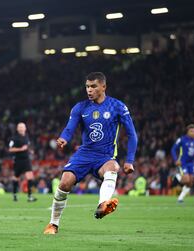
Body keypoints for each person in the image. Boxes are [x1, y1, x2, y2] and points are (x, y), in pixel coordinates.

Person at [43, 72, 137, 234]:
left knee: (113, 167)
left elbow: (132, 134)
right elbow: (70, 127)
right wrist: (64, 138)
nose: (89, 90)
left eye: (93, 86)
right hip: (84, 154)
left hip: (105, 156)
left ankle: (103, 205)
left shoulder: (117, 107)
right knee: (64, 183)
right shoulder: (80, 107)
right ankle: (53, 224)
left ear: (103, 87)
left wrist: (129, 160)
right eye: (87, 86)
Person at [171, 124, 194, 203]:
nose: (193, 133)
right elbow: (173, 149)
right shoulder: (182, 139)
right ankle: (177, 176)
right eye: (191, 131)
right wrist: (176, 159)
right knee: (186, 179)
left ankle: (180, 198)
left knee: (190, 182)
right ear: (187, 132)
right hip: (182, 163)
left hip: (191, 163)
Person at [8, 122, 37, 202]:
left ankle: (29, 196)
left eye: (22, 127)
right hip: (18, 160)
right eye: (19, 127)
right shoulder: (14, 138)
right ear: (17, 129)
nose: (21, 128)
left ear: (25, 128)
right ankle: (14, 194)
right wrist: (21, 149)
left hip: (26, 160)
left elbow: (27, 146)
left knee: (30, 177)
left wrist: (30, 151)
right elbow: (10, 149)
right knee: (16, 178)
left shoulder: (26, 137)